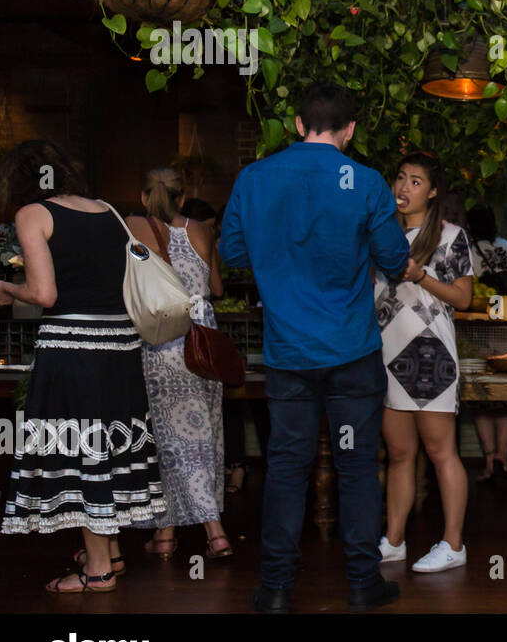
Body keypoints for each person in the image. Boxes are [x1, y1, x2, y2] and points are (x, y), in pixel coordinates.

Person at [220, 82, 410, 613]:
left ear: (299, 125)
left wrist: (281, 253)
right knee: (354, 467)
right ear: (349, 131)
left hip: (288, 355)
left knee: (286, 467)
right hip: (351, 353)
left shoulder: (255, 178)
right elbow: (394, 260)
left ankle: (277, 588)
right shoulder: (367, 183)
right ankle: (361, 582)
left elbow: (233, 250)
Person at [0, 140, 166, 593]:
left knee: (81, 454)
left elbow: (46, 295)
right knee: (107, 451)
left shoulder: (33, 215)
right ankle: (108, 552)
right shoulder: (107, 210)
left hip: (73, 349)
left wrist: (7, 288)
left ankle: (98, 573)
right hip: (121, 349)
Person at [124, 166, 233, 560]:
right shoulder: (201, 231)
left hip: (161, 338)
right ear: (183, 198)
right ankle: (167, 535)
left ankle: (215, 533)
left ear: (142, 196)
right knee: (195, 437)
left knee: (169, 440)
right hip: (202, 342)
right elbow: (217, 288)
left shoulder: (131, 226)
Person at [375, 153, 473, 573]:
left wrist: (421, 277)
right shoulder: (379, 237)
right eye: (400, 178)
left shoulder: (451, 237)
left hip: (432, 356)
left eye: (416, 182)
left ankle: (453, 545)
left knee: (440, 452)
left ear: (432, 192)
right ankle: (394, 541)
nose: (404, 188)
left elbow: (464, 298)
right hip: (385, 354)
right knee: (398, 454)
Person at [465, 203, 507, 481]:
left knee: (482, 397)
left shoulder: (465, 251)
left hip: (477, 330)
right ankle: (505, 458)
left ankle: (489, 463)